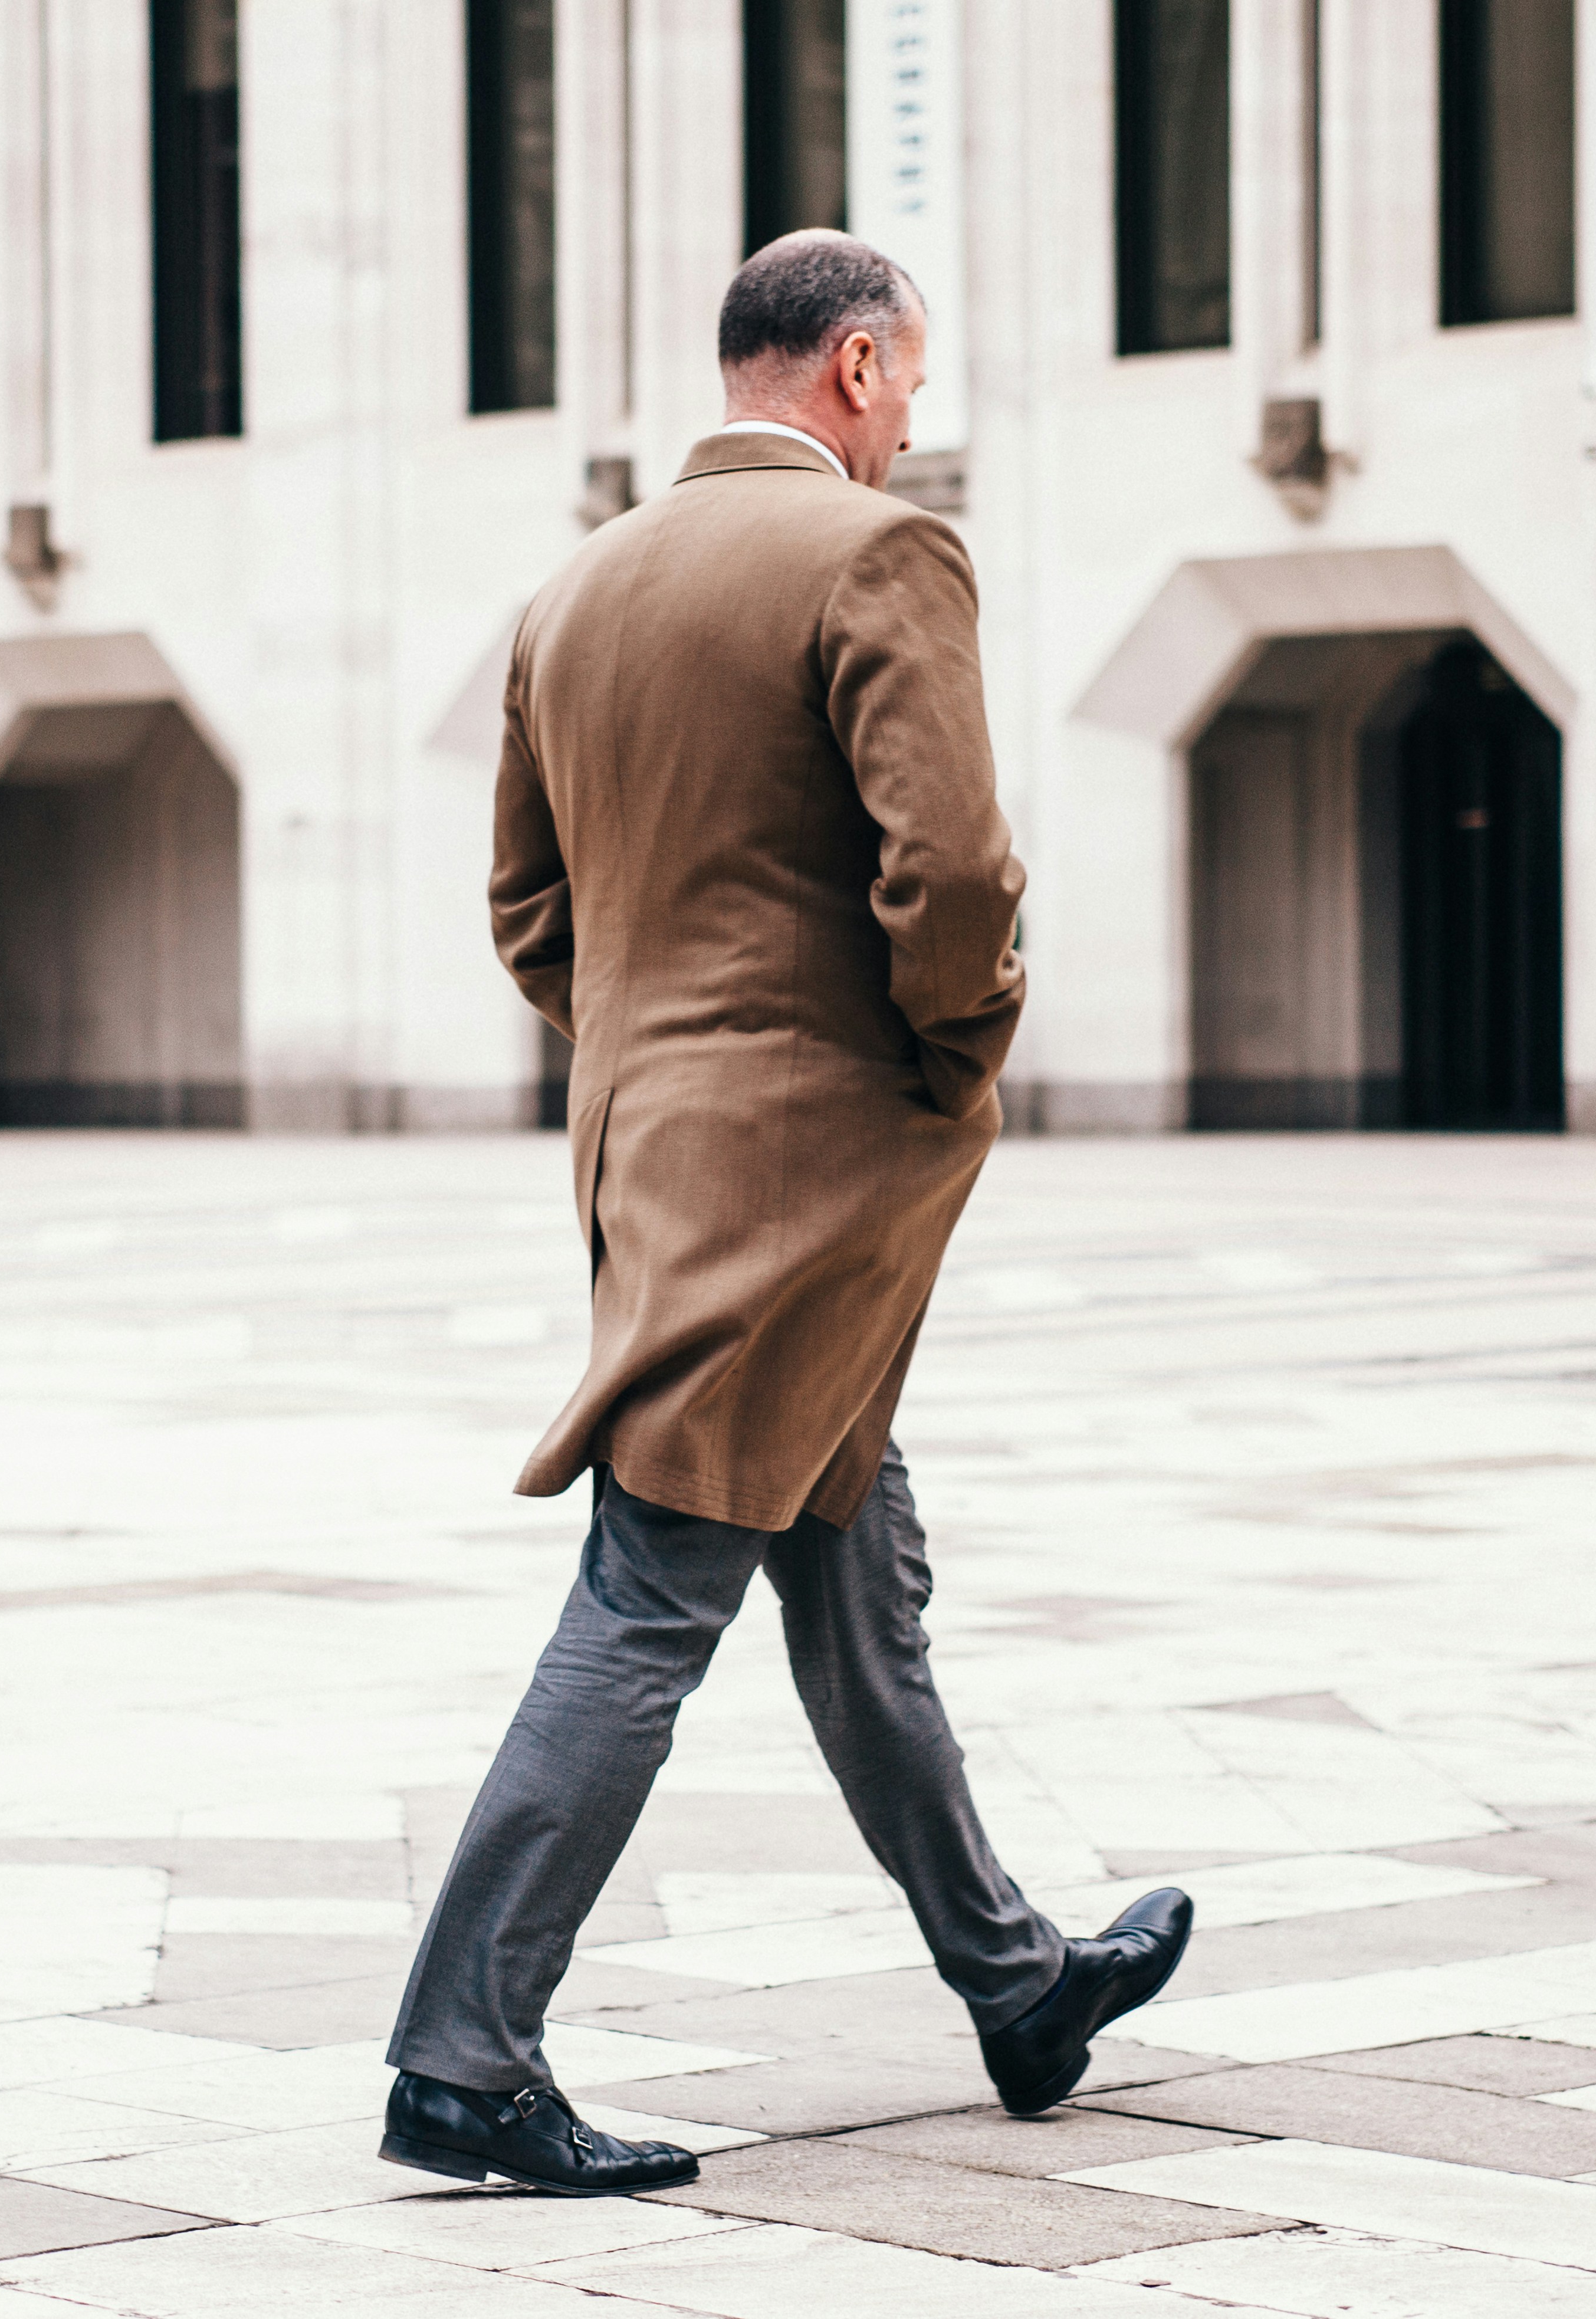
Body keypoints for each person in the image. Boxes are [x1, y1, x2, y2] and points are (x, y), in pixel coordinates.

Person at [379, 232, 1194, 2198]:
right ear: (847, 363)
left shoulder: (570, 593)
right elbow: (958, 874)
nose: (912, 417)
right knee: (659, 1582)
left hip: (655, 1149)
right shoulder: (876, 558)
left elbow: (528, 913)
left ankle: (1016, 1984)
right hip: (811, 1171)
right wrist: (946, 1056)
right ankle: (462, 2053)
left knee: (853, 1569)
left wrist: (661, 1059)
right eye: (907, 380)